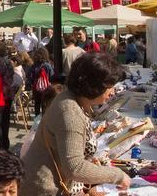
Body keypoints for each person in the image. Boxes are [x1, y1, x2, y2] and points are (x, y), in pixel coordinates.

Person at [20, 53, 130, 195]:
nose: (113, 91)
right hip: (44, 189)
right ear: (94, 86)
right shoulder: (70, 112)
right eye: (110, 86)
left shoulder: (72, 100)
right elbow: (75, 168)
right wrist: (118, 175)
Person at [0, 41, 21, 150]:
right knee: (5, 123)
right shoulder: (8, 63)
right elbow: (10, 79)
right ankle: (5, 146)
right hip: (7, 96)